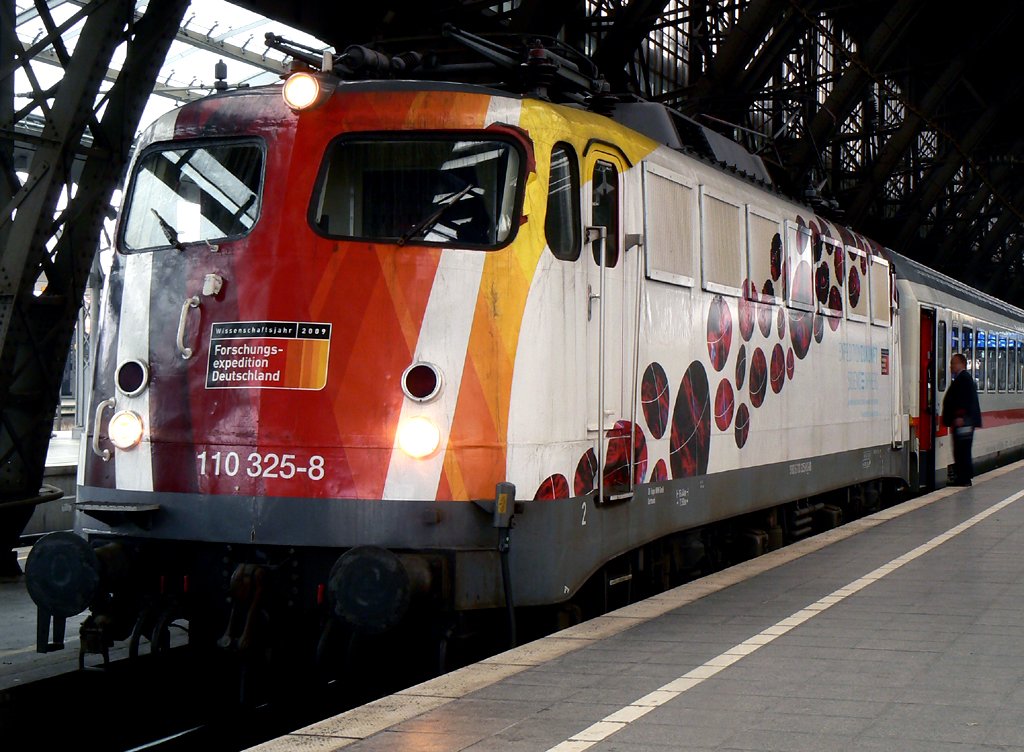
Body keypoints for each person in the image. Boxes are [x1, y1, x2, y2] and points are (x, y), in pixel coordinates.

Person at [941, 352, 982, 486]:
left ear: (962, 364)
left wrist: (959, 416)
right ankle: (963, 477)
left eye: (953, 363)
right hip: (965, 421)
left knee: (962, 449)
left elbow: (964, 400)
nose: (950, 366)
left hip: (964, 421)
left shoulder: (963, 379)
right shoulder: (963, 378)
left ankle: (963, 478)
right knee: (961, 449)